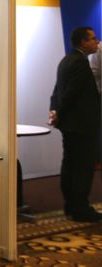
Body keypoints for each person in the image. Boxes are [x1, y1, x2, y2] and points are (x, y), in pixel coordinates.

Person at [49, 26, 102, 222]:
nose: (97, 42)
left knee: (70, 165)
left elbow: (57, 91)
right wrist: (59, 113)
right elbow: (70, 93)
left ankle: (71, 206)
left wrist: (55, 112)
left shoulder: (66, 60)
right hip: (82, 126)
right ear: (83, 42)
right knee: (83, 168)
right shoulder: (80, 62)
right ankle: (81, 209)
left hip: (70, 125)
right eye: (93, 38)